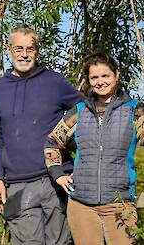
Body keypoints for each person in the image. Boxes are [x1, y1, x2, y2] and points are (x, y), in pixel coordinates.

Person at [0, 27, 82, 245]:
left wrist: (71, 143)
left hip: (55, 180)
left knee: (61, 242)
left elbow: (84, 111)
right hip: (17, 185)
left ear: (37, 51)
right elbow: (1, 137)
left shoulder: (55, 82)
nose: (24, 54)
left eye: (30, 49)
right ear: (8, 50)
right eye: (19, 48)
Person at [44, 52, 144, 245]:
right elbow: (53, 142)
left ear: (116, 76)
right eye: (94, 77)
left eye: (105, 76)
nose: (100, 82)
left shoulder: (134, 111)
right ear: (89, 81)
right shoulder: (79, 111)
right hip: (81, 206)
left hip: (120, 205)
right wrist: (58, 173)